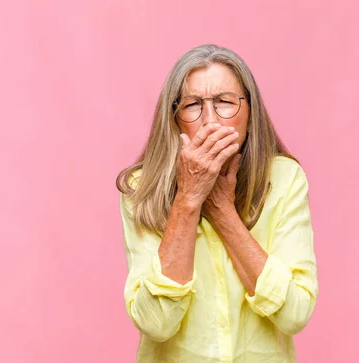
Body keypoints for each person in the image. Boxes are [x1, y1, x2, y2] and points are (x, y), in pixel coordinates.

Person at [116, 44, 318, 363]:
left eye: (224, 102)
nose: (210, 120)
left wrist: (223, 212)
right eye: (193, 104)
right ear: (175, 120)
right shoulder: (143, 188)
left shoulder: (284, 178)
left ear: (250, 115)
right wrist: (188, 199)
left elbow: (295, 313)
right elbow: (156, 323)